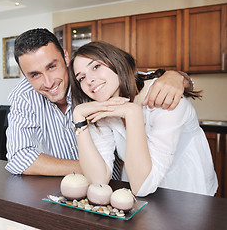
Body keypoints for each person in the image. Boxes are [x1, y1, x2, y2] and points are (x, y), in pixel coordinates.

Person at [5, 28, 192, 176]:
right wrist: (93, 168)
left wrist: (176, 77)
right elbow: (19, 157)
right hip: (65, 187)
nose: (48, 82)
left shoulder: (94, 82)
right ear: (24, 75)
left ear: (66, 57)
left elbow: (136, 78)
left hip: (115, 187)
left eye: (52, 66)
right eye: (35, 75)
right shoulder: (24, 96)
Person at [69, 41, 218, 196]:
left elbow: (142, 187)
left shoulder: (163, 98)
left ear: (116, 61)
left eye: (96, 66)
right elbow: (97, 179)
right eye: (81, 78)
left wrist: (132, 112)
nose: (89, 80)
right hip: (144, 196)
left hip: (188, 193)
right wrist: (78, 117)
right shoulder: (104, 108)